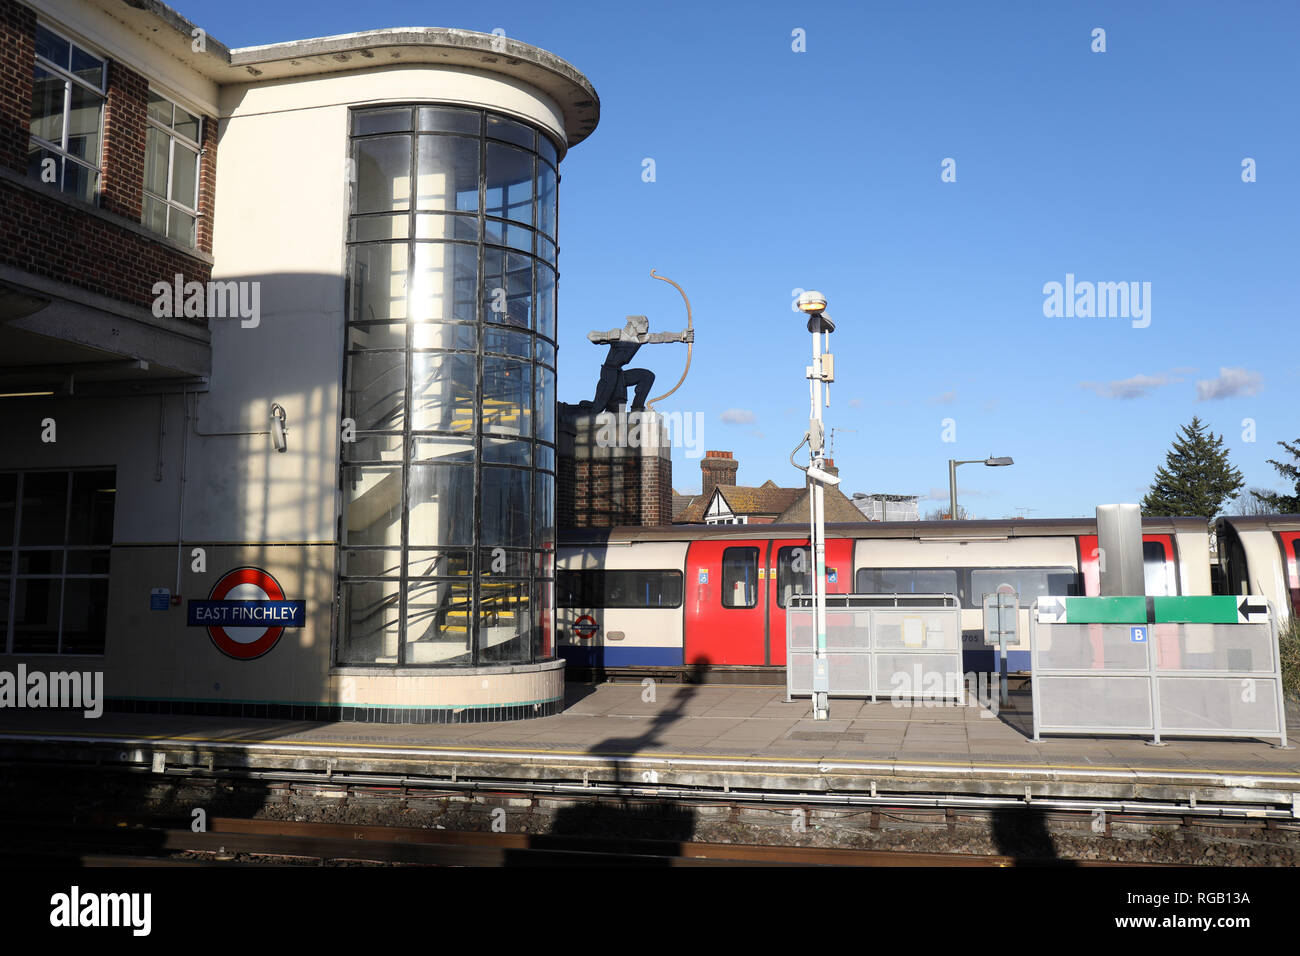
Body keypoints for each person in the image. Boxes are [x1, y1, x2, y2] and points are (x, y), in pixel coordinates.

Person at [585, 315, 691, 412]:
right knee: (598, 408)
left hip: (620, 374)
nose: (646, 326)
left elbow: (660, 337)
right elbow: (591, 336)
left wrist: (681, 336)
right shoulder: (618, 334)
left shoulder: (640, 338)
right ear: (635, 325)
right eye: (644, 324)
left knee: (647, 376)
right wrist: (607, 335)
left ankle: (637, 407)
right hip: (609, 372)